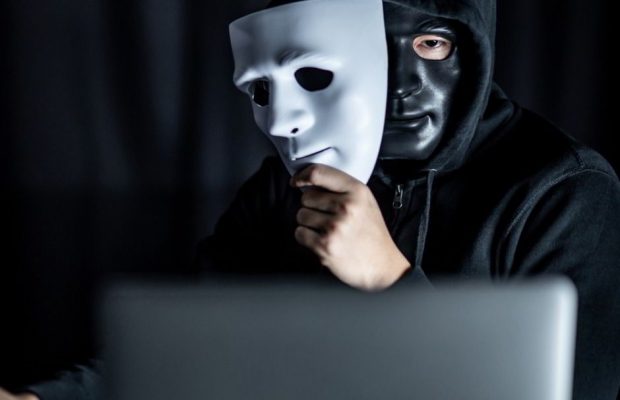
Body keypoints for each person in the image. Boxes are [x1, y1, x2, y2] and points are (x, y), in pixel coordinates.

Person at [3, 0, 619, 399]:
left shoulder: (562, 191)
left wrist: (390, 279)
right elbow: (185, 343)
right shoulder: (285, 185)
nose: (401, 86)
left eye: (430, 44)